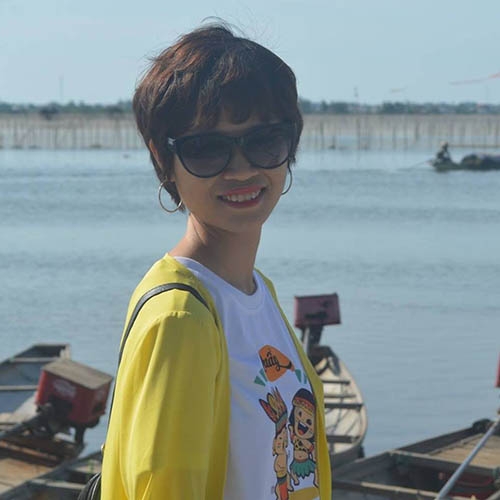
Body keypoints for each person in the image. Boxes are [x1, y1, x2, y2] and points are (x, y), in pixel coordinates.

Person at [101, 22, 331, 500]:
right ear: (163, 160)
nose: (242, 169)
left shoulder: (257, 293)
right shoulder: (180, 319)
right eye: (207, 149)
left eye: (264, 141)